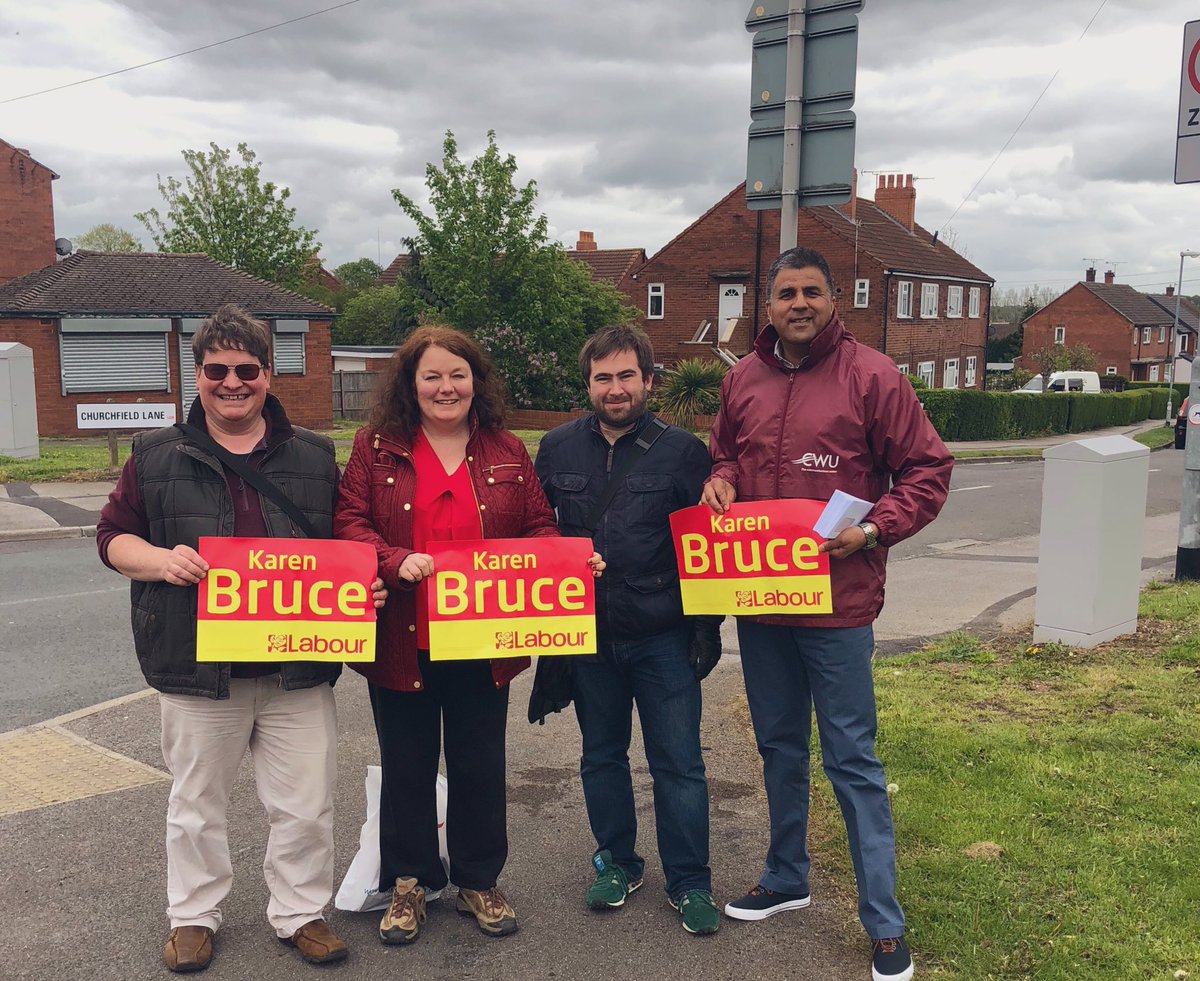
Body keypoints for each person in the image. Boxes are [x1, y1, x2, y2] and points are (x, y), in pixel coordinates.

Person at [97, 304, 383, 972]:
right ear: (197, 374)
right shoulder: (156, 453)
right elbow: (113, 538)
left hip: (296, 671)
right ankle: (193, 917)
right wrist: (160, 560)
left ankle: (299, 912)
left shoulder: (313, 455)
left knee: (306, 803)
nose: (232, 382)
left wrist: (360, 585)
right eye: (217, 369)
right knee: (195, 804)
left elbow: (343, 544)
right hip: (198, 665)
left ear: (268, 374)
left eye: (246, 369)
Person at [702, 247, 953, 981]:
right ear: (768, 305)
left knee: (852, 760)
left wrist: (874, 529)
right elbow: (725, 453)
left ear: (834, 300)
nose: (799, 303)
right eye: (786, 293)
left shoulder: (873, 376)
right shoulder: (741, 378)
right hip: (761, 598)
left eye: (812, 291)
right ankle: (787, 875)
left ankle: (884, 922)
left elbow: (928, 470)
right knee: (779, 747)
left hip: (839, 606)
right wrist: (719, 479)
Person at [333, 324, 601, 946]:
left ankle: (479, 879)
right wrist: (392, 557)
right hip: (402, 637)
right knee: (407, 765)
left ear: (475, 382)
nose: (446, 386)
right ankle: (409, 882)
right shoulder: (376, 447)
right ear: (412, 384)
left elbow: (537, 524)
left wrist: (562, 560)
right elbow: (348, 519)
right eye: (432, 376)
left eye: (457, 374)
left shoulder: (507, 449)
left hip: (483, 639)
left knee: (480, 763)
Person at [534, 324, 723, 936]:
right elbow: (535, 537)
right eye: (602, 378)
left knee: (679, 763)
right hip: (587, 638)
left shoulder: (684, 452)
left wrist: (705, 626)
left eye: (625, 376)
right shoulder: (557, 449)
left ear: (648, 379)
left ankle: (690, 881)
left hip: (663, 637)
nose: (614, 389)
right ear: (587, 384)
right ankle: (617, 861)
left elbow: (708, 549)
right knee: (601, 757)